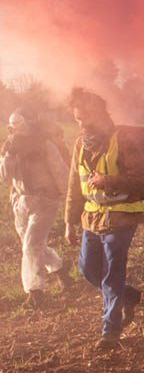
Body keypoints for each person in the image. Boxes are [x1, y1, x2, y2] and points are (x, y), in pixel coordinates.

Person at [64, 88, 144, 352]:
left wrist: (108, 181)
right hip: (92, 218)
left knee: (112, 274)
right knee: (89, 270)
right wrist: (70, 221)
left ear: (99, 114)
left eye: (84, 119)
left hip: (122, 217)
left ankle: (110, 332)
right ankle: (129, 295)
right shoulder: (80, 144)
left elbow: (143, 183)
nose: (80, 125)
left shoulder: (123, 140)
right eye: (77, 119)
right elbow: (73, 185)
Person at [0, 109, 72, 307]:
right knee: (31, 243)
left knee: (31, 244)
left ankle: (35, 291)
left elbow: (61, 172)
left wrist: (71, 201)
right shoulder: (10, 148)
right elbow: (5, 177)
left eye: (21, 126)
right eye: (14, 128)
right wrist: (8, 154)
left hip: (45, 201)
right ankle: (59, 268)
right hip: (20, 202)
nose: (18, 131)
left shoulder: (44, 145)